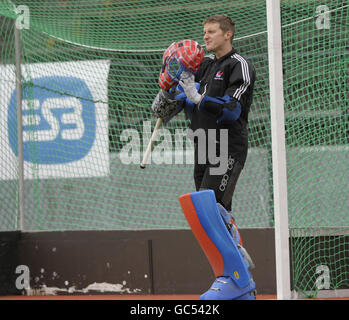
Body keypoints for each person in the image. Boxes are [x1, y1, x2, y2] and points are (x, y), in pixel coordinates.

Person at [152, 14, 257, 300]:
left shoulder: (239, 66)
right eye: (204, 32)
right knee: (204, 213)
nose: (205, 37)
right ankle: (237, 278)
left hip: (227, 144)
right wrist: (169, 85)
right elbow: (165, 108)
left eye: (211, 32)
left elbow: (232, 110)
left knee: (214, 207)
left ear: (228, 34)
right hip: (203, 144)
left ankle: (238, 279)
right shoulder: (204, 66)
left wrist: (199, 98)